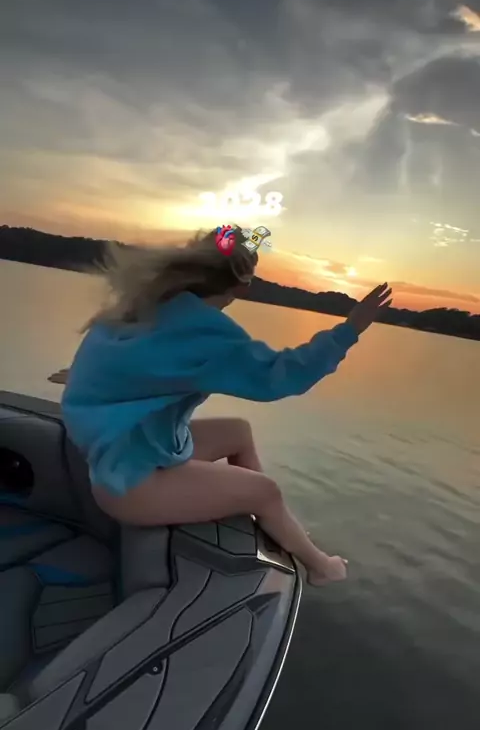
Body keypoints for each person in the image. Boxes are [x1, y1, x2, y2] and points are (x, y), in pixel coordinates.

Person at [61, 227, 392, 586]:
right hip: (130, 485)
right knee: (265, 491)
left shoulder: (148, 307)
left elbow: (110, 366)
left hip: (123, 455)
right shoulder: (202, 333)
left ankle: (267, 522)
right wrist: (351, 329)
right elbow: (280, 376)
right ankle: (321, 567)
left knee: (238, 432)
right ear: (242, 287)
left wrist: (78, 378)